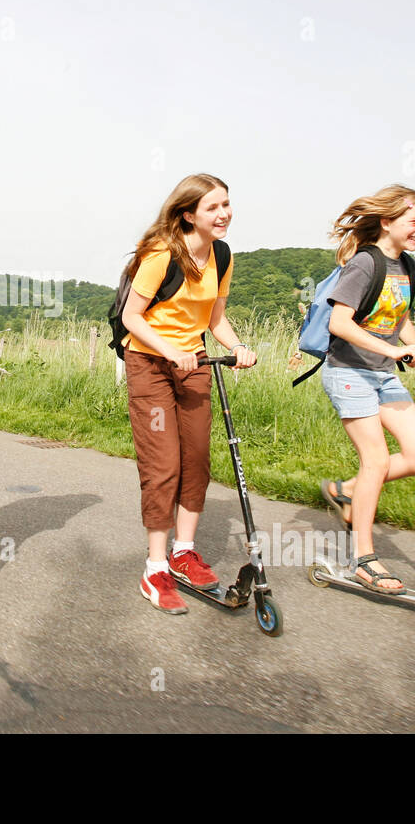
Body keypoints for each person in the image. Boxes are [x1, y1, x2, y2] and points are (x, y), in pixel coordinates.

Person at [121, 173, 257, 615]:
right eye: (214, 207)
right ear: (188, 214)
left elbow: (215, 318)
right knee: (163, 463)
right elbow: (132, 317)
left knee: (197, 456)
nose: (224, 213)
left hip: (194, 363)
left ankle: (184, 551)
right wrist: (170, 350)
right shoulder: (163, 253)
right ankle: (155, 567)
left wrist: (235, 347)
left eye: (227, 204)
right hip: (150, 362)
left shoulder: (221, 254)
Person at [319, 184, 415, 594]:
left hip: (383, 373)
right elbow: (340, 324)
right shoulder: (364, 264)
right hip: (349, 371)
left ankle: (346, 491)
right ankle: (364, 560)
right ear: (388, 221)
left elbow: (398, 317)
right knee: (374, 460)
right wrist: (395, 352)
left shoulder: (406, 266)